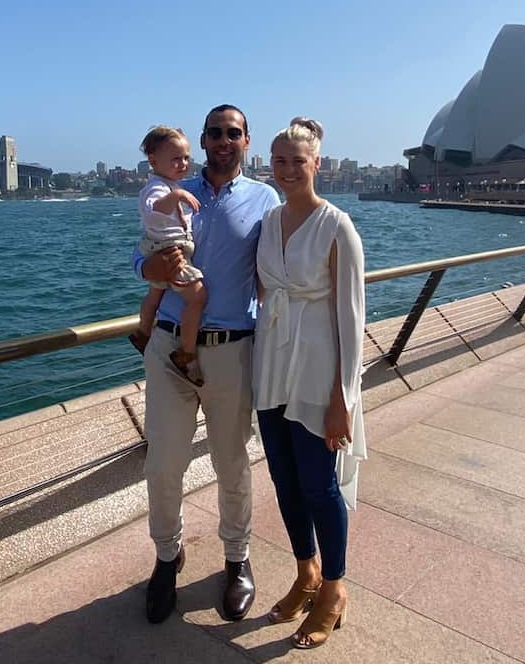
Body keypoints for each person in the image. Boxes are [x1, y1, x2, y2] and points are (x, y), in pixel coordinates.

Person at [135, 105, 280, 624]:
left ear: (247, 141)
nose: (224, 140)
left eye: (233, 133)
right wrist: (147, 267)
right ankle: (166, 558)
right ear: (201, 140)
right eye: (215, 132)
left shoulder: (267, 199)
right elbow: (144, 256)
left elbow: (275, 275)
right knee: (163, 463)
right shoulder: (171, 186)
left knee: (232, 462)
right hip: (170, 347)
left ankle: (237, 559)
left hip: (233, 350)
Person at [253, 118, 366, 649]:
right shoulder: (270, 220)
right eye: (279, 160)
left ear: (317, 163)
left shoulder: (337, 225)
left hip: (318, 371)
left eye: (298, 161)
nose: (288, 169)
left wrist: (343, 399)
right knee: (283, 480)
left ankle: (335, 589)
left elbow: (351, 317)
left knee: (320, 485)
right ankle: (306, 571)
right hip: (271, 366)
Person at [131, 126, 206, 385]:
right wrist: (177, 195)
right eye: (176, 158)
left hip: (162, 246)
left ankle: (142, 332)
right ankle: (186, 353)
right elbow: (154, 210)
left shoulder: (168, 184)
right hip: (170, 250)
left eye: (186, 157)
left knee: (154, 295)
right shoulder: (159, 188)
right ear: (153, 160)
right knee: (197, 298)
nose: (183, 163)